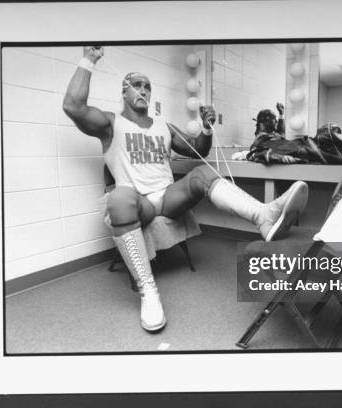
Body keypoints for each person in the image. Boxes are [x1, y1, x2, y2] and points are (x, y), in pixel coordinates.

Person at [63, 46, 308, 333]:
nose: (143, 90)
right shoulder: (110, 124)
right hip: (136, 203)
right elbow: (73, 107)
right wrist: (89, 59)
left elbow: (198, 150)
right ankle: (148, 291)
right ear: (125, 92)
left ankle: (263, 217)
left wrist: (205, 128)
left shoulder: (163, 126)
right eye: (137, 85)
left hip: (167, 199)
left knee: (202, 173)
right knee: (117, 199)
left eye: (148, 87)